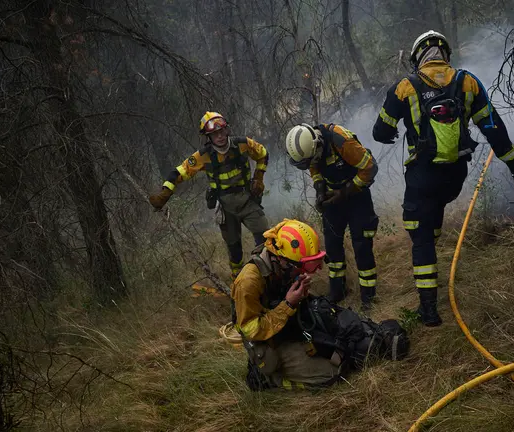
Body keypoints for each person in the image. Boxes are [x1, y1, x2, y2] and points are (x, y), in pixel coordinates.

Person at [372, 30, 514, 326]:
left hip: (423, 177)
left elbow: (380, 132)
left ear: (418, 57)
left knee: (419, 235)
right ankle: (431, 261)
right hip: (455, 177)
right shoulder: (468, 82)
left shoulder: (405, 87)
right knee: (432, 219)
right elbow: (494, 129)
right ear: (445, 54)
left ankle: (428, 310)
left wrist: (395, 129)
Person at [232, 219, 409, 391]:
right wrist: (288, 304)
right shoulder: (248, 282)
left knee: (341, 349)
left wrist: (301, 298)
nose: (305, 272)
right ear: (282, 260)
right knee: (331, 373)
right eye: (301, 267)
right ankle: (269, 380)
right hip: (269, 343)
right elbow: (250, 330)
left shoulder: (281, 265)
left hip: (288, 328)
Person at [149, 111, 270, 279]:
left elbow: (263, 154)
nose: (219, 137)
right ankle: (239, 283)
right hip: (226, 208)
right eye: (214, 134)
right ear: (208, 137)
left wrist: (259, 177)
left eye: (221, 132)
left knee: (265, 239)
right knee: (234, 250)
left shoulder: (243, 144)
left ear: (227, 130)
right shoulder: (203, 156)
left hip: (248, 201)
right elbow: (179, 173)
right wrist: (164, 194)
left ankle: (267, 276)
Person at [285, 123, 379, 310]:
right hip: (333, 197)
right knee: (332, 245)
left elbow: (370, 167)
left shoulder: (341, 141)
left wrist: (345, 192)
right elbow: (314, 168)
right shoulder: (311, 149)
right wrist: (320, 189)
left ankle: (368, 296)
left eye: (310, 160)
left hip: (357, 196)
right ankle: (338, 290)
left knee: (361, 245)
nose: (309, 165)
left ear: (317, 145)